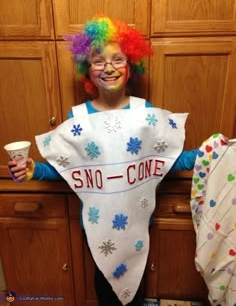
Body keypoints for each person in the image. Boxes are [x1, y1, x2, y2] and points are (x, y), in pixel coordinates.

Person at [8, 16, 198, 306]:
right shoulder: (78, 119)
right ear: (88, 69)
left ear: (130, 65)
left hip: (137, 225)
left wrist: (211, 154)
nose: (108, 68)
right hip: (97, 228)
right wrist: (35, 170)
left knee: (135, 286)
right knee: (104, 287)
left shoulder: (144, 112)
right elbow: (69, 169)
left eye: (117, 59)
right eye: (98, 61)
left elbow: (166, 159)